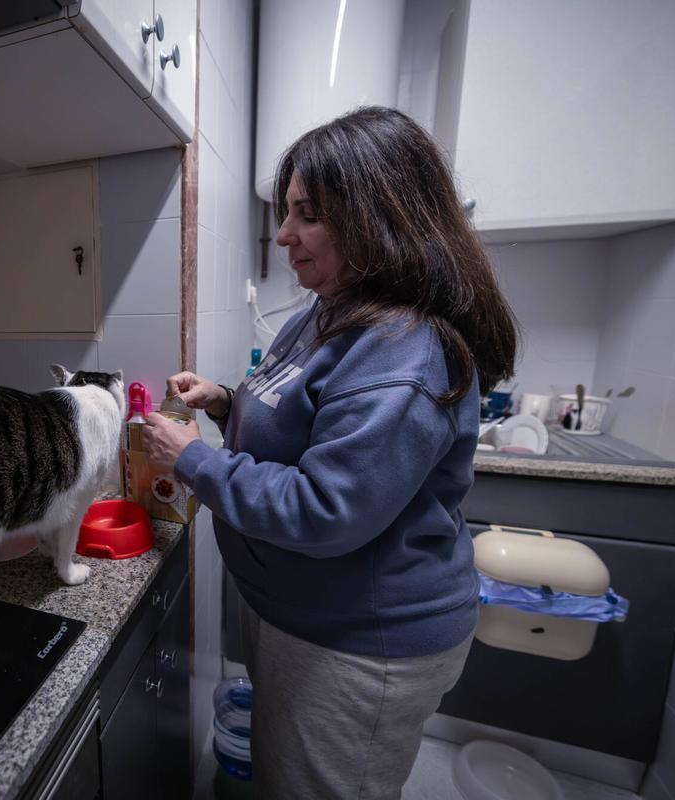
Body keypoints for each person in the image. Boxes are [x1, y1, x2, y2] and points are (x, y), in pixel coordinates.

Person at [142, 106, 518, 799]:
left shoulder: (404, 351)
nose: (284, 235)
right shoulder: (330, 311)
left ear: (381, 215)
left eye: (307, 214)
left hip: (359, 643)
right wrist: (226, 401)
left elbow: (325, 509)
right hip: (299, 614)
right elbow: (303, 412)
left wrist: (193, 458)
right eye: (286, 212)